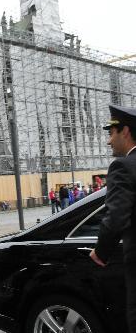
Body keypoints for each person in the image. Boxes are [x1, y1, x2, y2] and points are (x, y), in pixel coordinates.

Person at [90, 104, 136, 333]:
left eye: (111, 133)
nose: (109, 141)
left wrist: (101, 252)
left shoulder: (123, 166)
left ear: (125, 132)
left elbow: (116, 216)